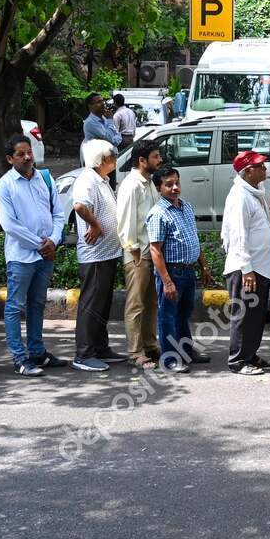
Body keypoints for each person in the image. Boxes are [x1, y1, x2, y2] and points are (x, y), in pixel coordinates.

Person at [0, 133, 68, 376]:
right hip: (21, 256)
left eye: (29, 152)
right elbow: (9, 225)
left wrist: (54, 240)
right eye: (20, 154)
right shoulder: (4, 186)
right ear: (9, 159)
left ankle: (37, 352)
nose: (27, 157)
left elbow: (58, 213)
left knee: (37, 304)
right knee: (15, 306)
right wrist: (40, 244)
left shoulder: (44, 178)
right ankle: (19, 358)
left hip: (45, 254)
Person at [147, 165, 210, 372]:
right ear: (159, 188)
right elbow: (155, 250)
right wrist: (167, 281)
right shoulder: (158, 213)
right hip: (172, 272)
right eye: (168, 185)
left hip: (188, 270)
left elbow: (193, 238)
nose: (175, 188)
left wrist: (203, 264)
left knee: (183, 314)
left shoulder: (186, 207)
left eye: (177, 183)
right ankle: (169, 359)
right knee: (167, 316)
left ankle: (185, 351)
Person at [71, 139, 125, 371]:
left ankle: (100, 347)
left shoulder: (100, 180)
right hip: (94, 255)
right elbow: (80, 206)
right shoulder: (87, 180)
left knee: (102, 304)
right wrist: (95, 226)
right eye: (111, 157)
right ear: (101, 160)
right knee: (91, 304)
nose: (114, 160)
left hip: (107, 253)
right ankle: (84, 354)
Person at [220, 150, 270, 374]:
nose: (264, 169)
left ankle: (250, 355)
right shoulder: (240, 196)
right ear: (248, 171)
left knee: (255, 317)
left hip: (259, 267)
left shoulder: (254, 193)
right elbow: (238, 236)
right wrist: (246, 270)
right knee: (243, 318)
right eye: (260, 166)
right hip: (247, 269)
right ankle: (238, 361)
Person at [116, 139, 165, 369]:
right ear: (142, 161)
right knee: (136, 305)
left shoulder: (149, 183)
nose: (160, 160)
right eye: (155, 157)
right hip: (138, 253)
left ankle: (150, 344)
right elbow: (125, 221)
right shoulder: (131, 185)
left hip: (151, 252)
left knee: (151, 303)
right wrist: (133, 250)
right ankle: (135, 352)